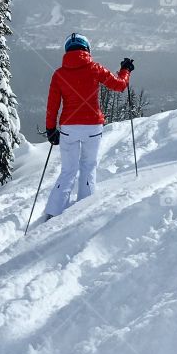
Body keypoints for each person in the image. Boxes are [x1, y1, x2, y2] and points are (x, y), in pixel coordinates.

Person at [42, 33, 134, 220]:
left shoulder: (59, 74)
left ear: (67, 50)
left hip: (69, 128)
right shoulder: (95, 69)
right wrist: (125, 70)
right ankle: (84, 210)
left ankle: (53, 212)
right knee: (88, 166)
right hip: (93, 127)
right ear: (87, 49)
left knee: (68, 170)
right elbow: (119, 86)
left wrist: (51, 129)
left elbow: (53, 105)